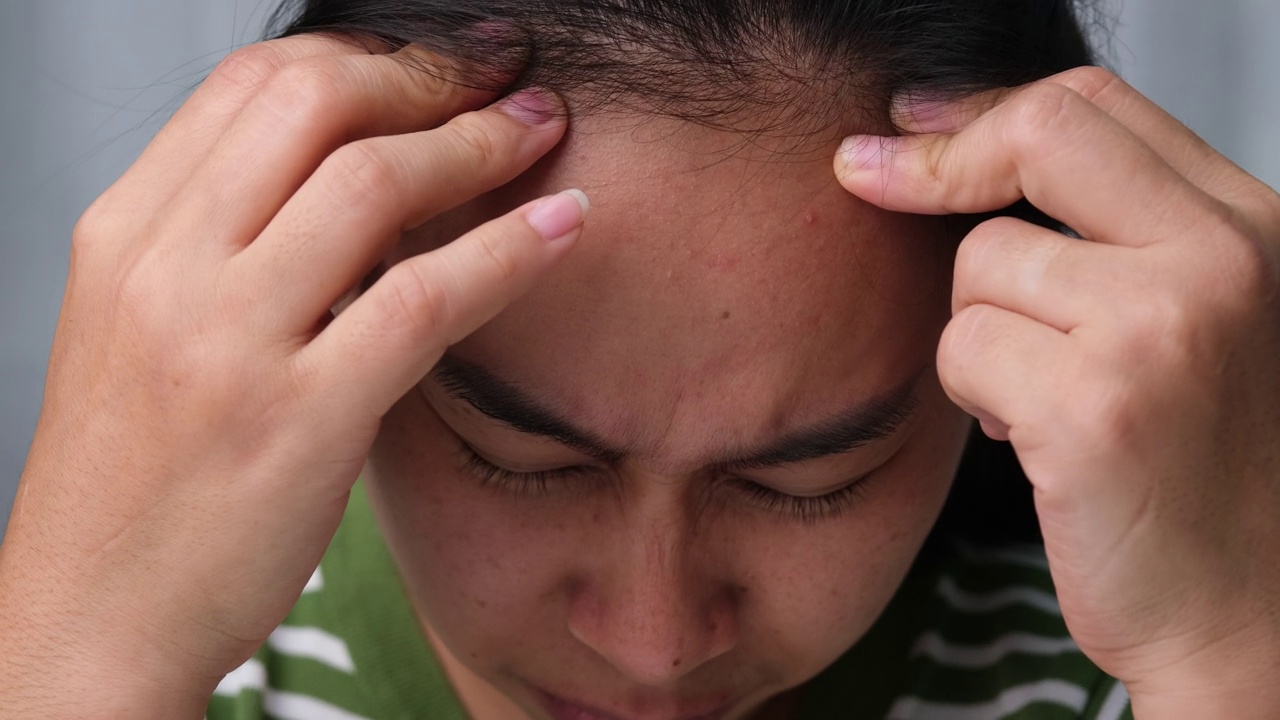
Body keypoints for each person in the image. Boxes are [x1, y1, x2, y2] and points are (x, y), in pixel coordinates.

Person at [1, 0, 1277, 717]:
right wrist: (83, 661)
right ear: (346, 295)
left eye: (803, 484)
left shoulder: (1156, 667)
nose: (656, 641)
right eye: (519, 457)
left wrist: (1226, 650)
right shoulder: (157, 675)